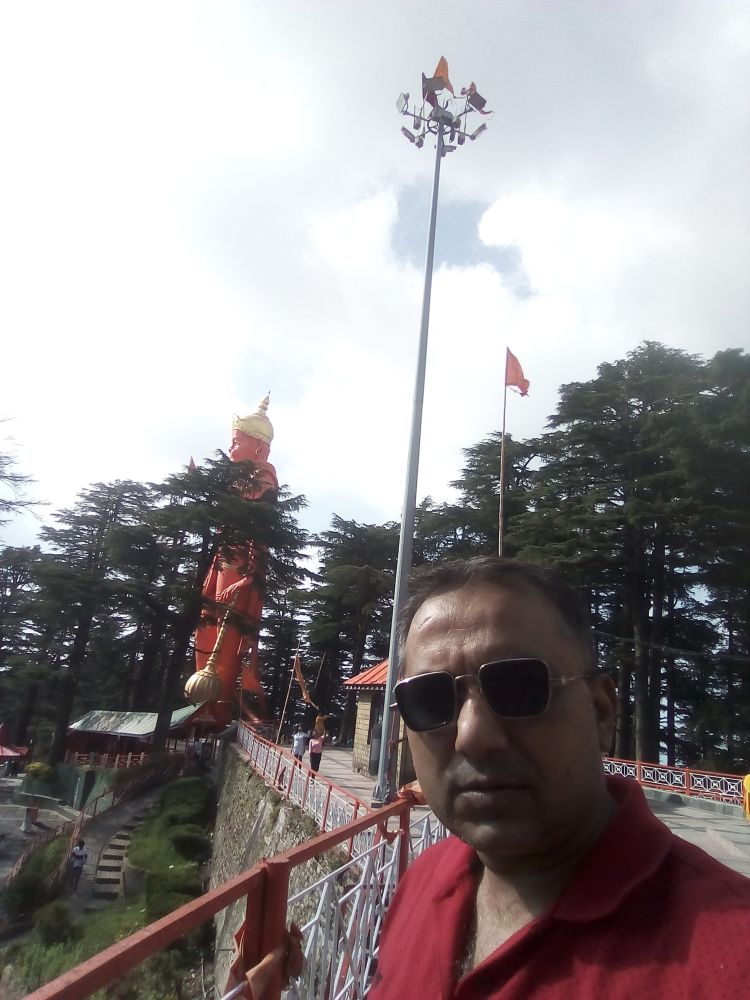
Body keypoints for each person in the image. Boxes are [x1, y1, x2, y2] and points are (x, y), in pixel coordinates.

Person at [368, 556, 750, 999]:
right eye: (429, 699)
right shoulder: (418, 882)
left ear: (602, 712)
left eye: (520, 687)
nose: (473, 735)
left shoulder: (734, 959)